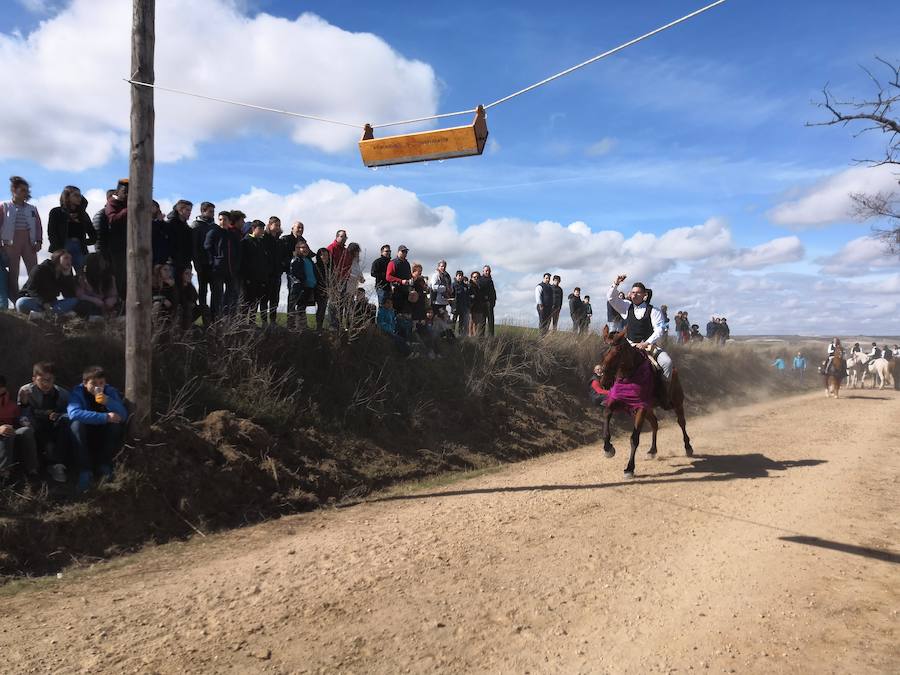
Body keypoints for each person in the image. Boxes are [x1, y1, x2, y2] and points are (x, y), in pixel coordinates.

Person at [67, 365, 128, 493]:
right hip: (85, 433)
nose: (98, 387)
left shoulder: (109, 391)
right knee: (76, 425)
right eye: (93, 383)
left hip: (104, 433)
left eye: (101, 383)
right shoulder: (77, 392)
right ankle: (85, 471)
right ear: (84, 383)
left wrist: (108, 402)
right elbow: (74, 413)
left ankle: (104, 465)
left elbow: (123, 415)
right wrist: (104, 417)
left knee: (116, 425)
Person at [606, 274, 673, 383]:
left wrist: (646, 343)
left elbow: (659, 329)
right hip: (629, 345)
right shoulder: (626, 306)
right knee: (610, 360)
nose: (634, 295)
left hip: (648, 347)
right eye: (633, 292)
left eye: (638, 292)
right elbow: (611, 298)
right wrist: (616, 283)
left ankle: (663, 394)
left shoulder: (654, 311)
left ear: (644, 295)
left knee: (667, 362)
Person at [17, 362, 70, 483]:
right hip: (35, 425)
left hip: (54, 424)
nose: (46, 384)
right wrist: (25, 405)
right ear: (34, 379)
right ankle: (35, 467)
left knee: (65, 423)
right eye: (42, 380)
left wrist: (59, 415)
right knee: (31, 429)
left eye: (49, 380)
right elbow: (22, 415)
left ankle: (57, 464)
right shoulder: (26, 391)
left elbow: (71, 412)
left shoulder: (62, 393)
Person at [1, 176, 43, 303]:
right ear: (14, 190)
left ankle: (35, 298)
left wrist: (39, 241)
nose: (25, 193)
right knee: (14, 272)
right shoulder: (4, 206)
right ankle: (15, 300)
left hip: (29, 241)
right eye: (22, 190)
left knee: (34, 270)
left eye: (26, 190)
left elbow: (38, 225)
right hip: (10, 242)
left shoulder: (32, 208)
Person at [15, 249, 79, 318]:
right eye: (66, 258)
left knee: (74, 301)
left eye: (70, 259)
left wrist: (67, 277)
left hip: (51, 304)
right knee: (21, 302)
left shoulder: (64, 273)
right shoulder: (40, 269)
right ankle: (51, 314)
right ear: (57, 258)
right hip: (35, 301)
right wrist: (44, 303)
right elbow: (31, 290)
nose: (69, 261)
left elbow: (69, 295)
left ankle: (43, 315)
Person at [47, 185, 95, 273]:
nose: (79, 198)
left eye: (80, 195)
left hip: (79, 247)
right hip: (62, 246)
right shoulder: (56, 212)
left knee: (83, 275)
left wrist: (84, 242)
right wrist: (58, 249)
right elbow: (51, 232)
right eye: (76, 195)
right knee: (63, 277)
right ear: (67, 197)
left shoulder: (83, 214)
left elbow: (93, 234)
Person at [0, 374, 38, 481]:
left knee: (26, 431)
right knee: (7, 433)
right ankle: (4, 474)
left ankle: (32, 470)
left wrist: (24, 405)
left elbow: (21, 418)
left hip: (12, 431)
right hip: (3, 434)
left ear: (3, 388)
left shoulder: (11, 404)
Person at [205, 210, 242, 318]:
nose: (222, 222)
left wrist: (236, 266)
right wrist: (213, 262)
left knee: (230, 295)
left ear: (229, 221)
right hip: (218, 269)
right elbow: (207, 247)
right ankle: (215, 319)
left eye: (224, 219)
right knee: (217, 294)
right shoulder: (214, 232)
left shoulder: (233, 235)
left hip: (231, 270)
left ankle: (227, 318)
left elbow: (238, 252)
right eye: (220, 219)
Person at [240, 220, 273, 325]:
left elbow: (264, 261)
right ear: (253, 229)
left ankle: (252, 322)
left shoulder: (262, 243)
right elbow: (243, 261)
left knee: (255, 302)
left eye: (263, 229)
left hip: (260, 278)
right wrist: (246, 277)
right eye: (260, 229)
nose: (263, 231)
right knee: (246, 301)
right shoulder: (246, 242)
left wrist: (264, 277)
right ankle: (241, 323)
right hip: (248, 278)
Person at [101, 179, 129, 301]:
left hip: (130, 247)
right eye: (125, 191)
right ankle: (118, 304)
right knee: (119, 277)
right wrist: (128, 210)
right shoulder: (112, 203)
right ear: (118, 192)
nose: (128, 194)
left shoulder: (130, 204)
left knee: (128, 278)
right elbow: (113, 219)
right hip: (117, 248)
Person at [190, 201, 216, 323]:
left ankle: (214, 318)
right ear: (203, 211)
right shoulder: (196, 226)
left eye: (213, 211)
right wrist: (197, 264)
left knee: (215, 290)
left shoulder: (214, 226)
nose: (212, 214)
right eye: (210, 211)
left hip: (213, 264)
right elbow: (194, 247)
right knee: (203, 291)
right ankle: (204, 317)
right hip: (202, 263)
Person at [287, 240, 318, 330]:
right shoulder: (296, 259)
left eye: (306, 247)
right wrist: (299, 282)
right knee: (296, 306)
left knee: (303, 306)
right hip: (300, 287)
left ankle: (302, 325)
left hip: (309, 286)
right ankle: (293, 326)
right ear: (297, 249)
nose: (305, 249)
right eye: (302, 247)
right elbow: (293, 273)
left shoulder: (309, 260)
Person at [77, 252, 120, 318]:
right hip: (92, 305)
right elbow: (80, 296)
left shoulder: (109, 277)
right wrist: (95, 300)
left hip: (105, 305)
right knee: (85, 306)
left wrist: (111, 300)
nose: (104, 264)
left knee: (115, 306)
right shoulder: (83, 277)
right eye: (101, 262)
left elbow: (114, 294)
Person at [166, 199, 194, 279]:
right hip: (172, 264)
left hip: (185, 264)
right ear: (180, 210)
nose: (189, 213)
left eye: (190, 210)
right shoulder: (169, 224)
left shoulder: (187, 228)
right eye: (187, 210)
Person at [263, 216, 283, 324]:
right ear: (270, 225)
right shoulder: (264, 238)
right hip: (266, 274)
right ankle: (264, 321)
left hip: (277, 273)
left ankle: (273, 321)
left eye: (279, 225)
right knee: (265, 298)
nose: (278, 227)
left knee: (275, 299)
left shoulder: (279, 241)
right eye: (276, 225)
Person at [386, 244, 412, 313]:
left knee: (405, 313)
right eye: (403, 251)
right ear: (398, 252)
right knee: (396, 312)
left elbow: (409, 276)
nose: (404, 253)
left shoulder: (407, 263)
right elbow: (388, 277)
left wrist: (411, 281)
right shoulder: (392, 262)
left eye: (406, 252)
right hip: (396, 291)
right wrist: (401, 281)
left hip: (406, 291)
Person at [313, 247, 331, 331]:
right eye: (322, 255)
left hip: (327, 290)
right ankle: (318, 326)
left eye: (326, 255)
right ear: (319, 256)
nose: (324, 257)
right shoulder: (316, 266)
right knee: (321, 308)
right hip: (318, 290)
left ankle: (320, 326)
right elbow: (316, 279)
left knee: (323, 308)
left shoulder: (329, 267)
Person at [469, 270, 488, 337]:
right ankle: (471, 338)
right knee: (472, 322)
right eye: (474, 277)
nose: (476, 279)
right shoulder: (470, 286)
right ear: (471, 278)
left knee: (478, 323)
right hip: (472, 307)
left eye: (478, 277)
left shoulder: (480, 286)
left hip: (479, 307)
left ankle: (475, 337)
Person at [452, 269, 470, 337]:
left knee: (461, 322)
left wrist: (468, 305)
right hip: (455, 306)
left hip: (463, 307)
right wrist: (452, 305)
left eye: (461, 276)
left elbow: (467, 296)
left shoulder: (465, 286)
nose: (460, 277)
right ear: (456, 276)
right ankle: (452, 335)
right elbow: (451, 296)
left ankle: (460, 336)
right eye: (459, 276)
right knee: (453, 321)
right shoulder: (453, 285)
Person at [481, 265, 497, 336]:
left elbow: (493, 292)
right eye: (486, 270)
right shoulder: (480, 280)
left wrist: (493, 301)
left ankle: (491, 336)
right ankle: (481, 336)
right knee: (482, 321)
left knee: (491, 320)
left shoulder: (491, 280)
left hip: (490, 303)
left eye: (489, 270)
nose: (488, 272)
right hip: (483, 303)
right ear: (483, 271)